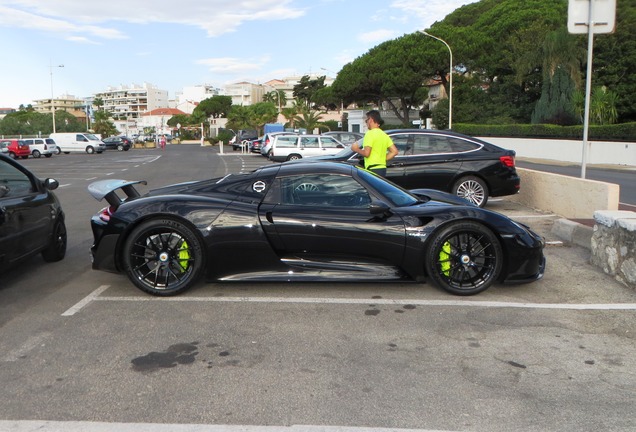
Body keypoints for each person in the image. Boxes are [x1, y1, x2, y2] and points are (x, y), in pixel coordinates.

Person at [350, 110, 398, 177]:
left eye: (366, 120)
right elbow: (394, 151)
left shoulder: (370, 134)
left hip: (372, 169)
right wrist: (381, 159)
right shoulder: (383, 134)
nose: (366, 123)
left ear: (371, 120)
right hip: (382, 168)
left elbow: (367, 153)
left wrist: (356, 149)